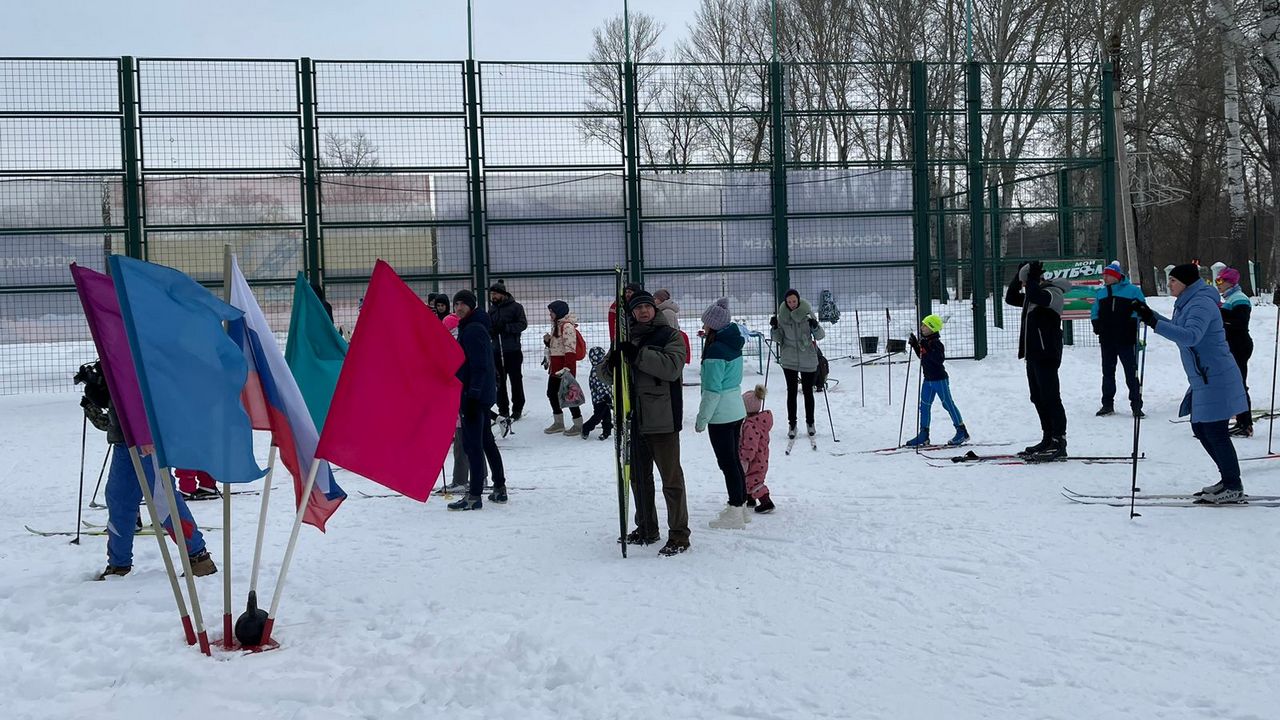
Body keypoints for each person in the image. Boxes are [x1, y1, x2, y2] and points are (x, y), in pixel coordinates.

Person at [1135, 264, 1248, 503]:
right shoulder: (1188, 301)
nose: (1171, 284)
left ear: (1186, 283)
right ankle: (1227, 480)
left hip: (1216, 375)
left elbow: (1190, 336)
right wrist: (1149, 314)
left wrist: (1153, 323)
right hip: (1204, 376)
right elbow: (1179, 329)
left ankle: (1233, 485)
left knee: (1215, 431)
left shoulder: (1201, 303)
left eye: (1174, 281)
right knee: (1201, 428)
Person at [96, 405, 216, 580]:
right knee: (119, 498)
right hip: (123, 435)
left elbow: (138, 388)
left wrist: (144, 432)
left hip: (145, 433)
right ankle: (118, 564)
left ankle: (198, 557)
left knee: (162, 498)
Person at [612, 289, 690, 556]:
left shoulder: (670, 335)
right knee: (638, 479)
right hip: (633, 420)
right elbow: (607, 376)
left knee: (671, 479)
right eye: (637, 309)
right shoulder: (626, 337)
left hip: (662, 419)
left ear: (654, 309)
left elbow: (672, 367)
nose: (643, 311)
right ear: (632, 313)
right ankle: (647, 527)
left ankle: (679, 535)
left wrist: (637, 355)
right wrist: (611, 363)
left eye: (647, 306)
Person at [1005, 261, 1072, 462]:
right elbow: (1010, 298)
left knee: (1051, 396)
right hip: (1033, 354)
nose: (1025, 286)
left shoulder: (1053, 293)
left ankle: (1059, 440)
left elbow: (1036, 295)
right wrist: (1018, 277)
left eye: (1026, 282)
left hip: (1047, 353)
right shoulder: (1034, 293)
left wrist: (1032, 278)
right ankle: (1047, 437)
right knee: (1037, 397)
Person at [448, 289, 507, 511]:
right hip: (480, 395)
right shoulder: (473, 326)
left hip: (475, 396)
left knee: (473, 445)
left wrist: (472, 393)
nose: (458, 308)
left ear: (471, 306)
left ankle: (473, 496)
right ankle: (499, 488)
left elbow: (480, 365)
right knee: (486, 442)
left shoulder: (473, 330)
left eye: (463, 304)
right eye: (456, 305)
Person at [695, 299, 751, 530]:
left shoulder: (715, 351)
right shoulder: (733, 343)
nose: (703, 327)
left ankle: (735, 510)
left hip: (721, 415)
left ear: (713, 326)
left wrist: (702, 419)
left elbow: (712, 391)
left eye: (706, 324)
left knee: (727, 463)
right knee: (734, 461)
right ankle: (742, 506)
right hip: (736, 410)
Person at [1090, 261, 1146, 418]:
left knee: (1131, 372)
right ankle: (1107, 404)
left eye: (1107, 275)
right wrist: (1096, 323)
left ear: (1115, 276)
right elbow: (1095, 310)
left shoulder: (1133, 291)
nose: (1105, 278)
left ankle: (1136, 405)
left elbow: (1142, 309)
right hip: (1107, 338)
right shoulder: (1101, 293)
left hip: (1126, 338)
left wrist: (1132, 321)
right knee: (1108, 372)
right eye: (1104, 275)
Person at [904, 314, 969, 447]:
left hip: (939, 380)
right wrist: (916, 345)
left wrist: (925, 347)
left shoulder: (937, 344)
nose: (922, 327)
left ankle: (961, 431)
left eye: (925, 325)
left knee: (948, 404)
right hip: (927, 380)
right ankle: (924, 434)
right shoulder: (926, 342)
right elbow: (923, 356)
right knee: (924, 406)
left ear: (932, 328)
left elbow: (938, 360)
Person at [770, 289, 825, 442]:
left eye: (794, 301)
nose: (792, 304)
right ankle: (792, 425)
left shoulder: (808, 314)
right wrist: (774, 328)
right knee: (792, 392)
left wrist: (815, 326)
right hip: (789, 358)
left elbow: (820, 336)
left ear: (799, 301)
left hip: (807, 356)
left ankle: (810, 423)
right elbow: (778, 338)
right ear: (786, 303)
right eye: (789, 302)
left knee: (808, 391)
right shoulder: (782, 317)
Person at [1216, 267, 1254, 437]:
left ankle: (1245, 424)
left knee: (1239, 385)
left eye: (1220, 281)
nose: (1218, 285)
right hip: (1232, 345)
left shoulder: (1239, 299)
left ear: (1230, 282)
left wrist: (1220, 315)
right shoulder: (1230, 297)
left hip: (1240, 345)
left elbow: (1240, 323)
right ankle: (1240, 420)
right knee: (1233, 384)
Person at [488, 280, 528, 430]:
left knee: (516, 379)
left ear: (503, 294)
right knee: (499, 382)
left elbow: (522, 324)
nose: (493, 296)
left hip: (512, 350)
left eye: (496, 293)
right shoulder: (492, 310)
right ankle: (503, 409)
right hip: (497, 350)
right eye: (492, 294)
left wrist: (506, 327)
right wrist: (492, 331)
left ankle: (517, 408)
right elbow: (489, 327)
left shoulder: (516, 307)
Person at [543, 300, 583, 436]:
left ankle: (578, 424)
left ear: (558, 312)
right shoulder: (557, 325)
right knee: (552, 393)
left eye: (552, 312)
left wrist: (568, 368)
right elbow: (558, 346)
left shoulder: (566, 326)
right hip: (556, 366)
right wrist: (548, 342)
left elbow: (570, 348)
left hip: (564, 366)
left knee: (569, 394)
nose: (550, 315)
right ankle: (559, 422)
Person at [738, 385, 775, 514]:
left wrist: (745, 457)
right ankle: (750, 499)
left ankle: (766, 502)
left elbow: (750, 444)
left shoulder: (750, 425)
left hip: (754, 459)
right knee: (749, 479)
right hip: (762, 457)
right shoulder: (760, 422)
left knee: (753, 481)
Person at [581, 346, 613, 440]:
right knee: (598, 416)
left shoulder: (600, 368)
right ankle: (586, 427)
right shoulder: (597, 370)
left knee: (607, 415)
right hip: (600, 399)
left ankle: (607, 431)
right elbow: (600, 385)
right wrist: (606, 396)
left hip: (603, 397)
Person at [654, 288, 691, 366]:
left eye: (655, 298)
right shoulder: (664, 311)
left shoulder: (667, 312)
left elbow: (669, 331)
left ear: (661, 299)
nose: (653, 301)